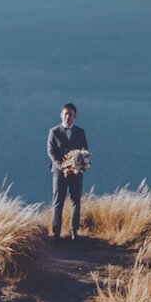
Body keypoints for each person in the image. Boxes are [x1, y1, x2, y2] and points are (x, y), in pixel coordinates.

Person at [47, 101, 89, 239]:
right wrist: (62, 166)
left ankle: (73, 231)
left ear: (75, 116)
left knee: (75, 200)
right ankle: (56, 232)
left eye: (70, 114)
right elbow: (51, 151)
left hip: (76, 173)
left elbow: (85, 149)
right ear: (61, 115)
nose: (68, 117)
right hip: (59, 172)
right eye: (66, 114)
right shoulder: (54, 132)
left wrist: (79, 164)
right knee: (58, 200)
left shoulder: (80, 132)